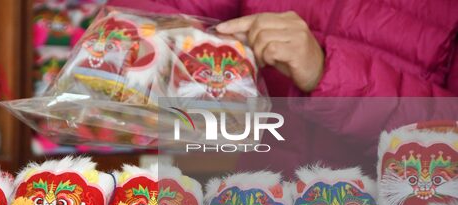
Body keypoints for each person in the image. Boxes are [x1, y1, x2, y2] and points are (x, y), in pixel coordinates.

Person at [107, 0, 458, 176]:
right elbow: (172, 10)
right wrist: (137, 30)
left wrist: (328, 72)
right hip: (260, 202)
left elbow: (448, 143)